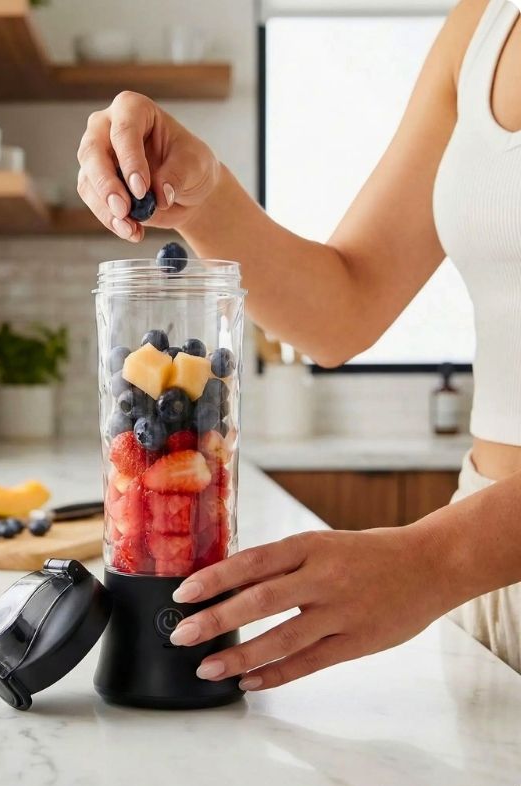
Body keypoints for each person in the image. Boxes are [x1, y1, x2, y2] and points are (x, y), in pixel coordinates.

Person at [76, 0, 521, 689]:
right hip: (485, 564)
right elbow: (344, 308)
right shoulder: (483, 22)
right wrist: (204, 197)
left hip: (468, 553)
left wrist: (437, 560)